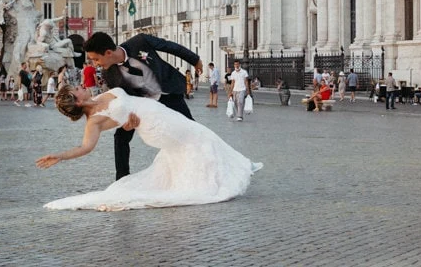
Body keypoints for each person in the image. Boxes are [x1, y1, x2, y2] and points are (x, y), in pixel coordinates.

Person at [36, 85, 262, 210]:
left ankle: (236, 168)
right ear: (77, 101)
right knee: (198, 136)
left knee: (198, 136)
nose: (82, 86)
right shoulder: (94, 121)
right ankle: (239, 168)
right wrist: (60, 156)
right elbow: (86, 147)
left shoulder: (102, 95)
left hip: (159, 112)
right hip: (155, 126)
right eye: (78, 89)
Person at [84, 30, 202, 181]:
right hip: (141, 104)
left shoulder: (140, 42)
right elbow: (122, 97)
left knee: (191, 129)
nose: (95, 64)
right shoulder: (109, 74)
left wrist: (195, 60)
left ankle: (200, 164)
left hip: (168, 93)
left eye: (96, 59)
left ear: (108, 53)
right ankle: (122, 179)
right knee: (120, 137)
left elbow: (170, 47)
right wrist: (127, 121)